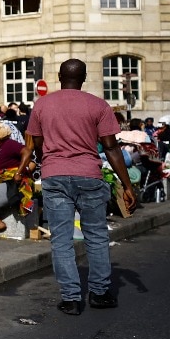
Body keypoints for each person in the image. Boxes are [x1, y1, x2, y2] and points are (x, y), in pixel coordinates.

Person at [17, 58, 135, 315]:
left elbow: (35, 142)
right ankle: (100, 293)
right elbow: (112, 147)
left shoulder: (42, 105)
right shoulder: (98, 105)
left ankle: (71, 298)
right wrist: (127, 186)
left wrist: (48, 158)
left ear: (60, 76)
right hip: (89, 175)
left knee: (61, 239)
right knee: (96, 236)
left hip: (55, 175)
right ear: (84, 78)